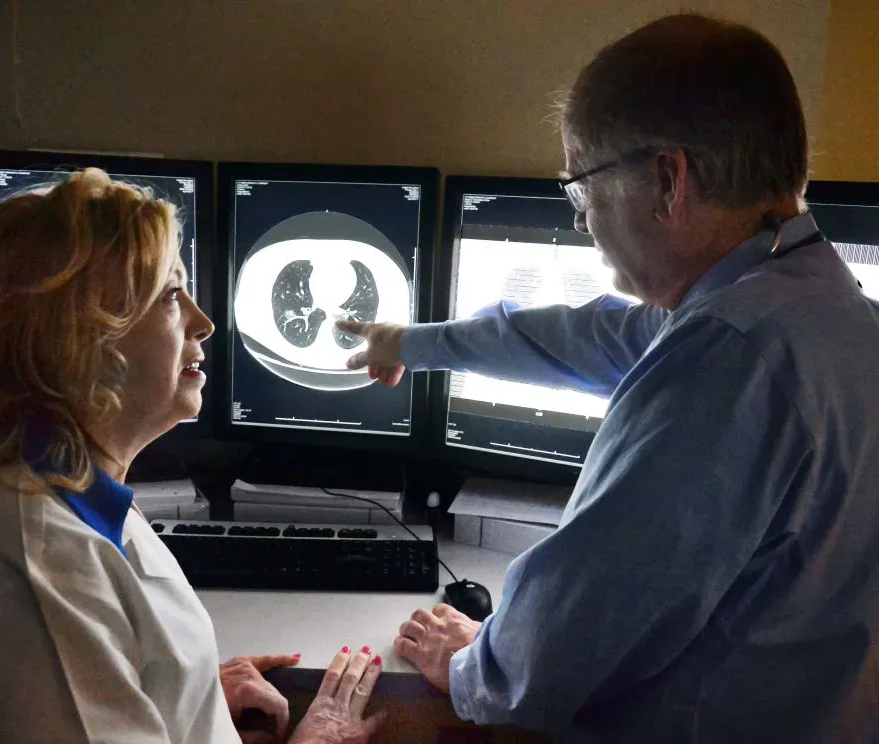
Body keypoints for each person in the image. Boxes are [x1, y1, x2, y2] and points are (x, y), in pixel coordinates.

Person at [337, 13, 879, 743]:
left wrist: (472, 662)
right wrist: (413, 342)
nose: (581, 222)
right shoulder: (820, 306)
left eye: (582, 188)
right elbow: (589, 335)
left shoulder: (728, 359)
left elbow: (554, 651)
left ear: (667, 178)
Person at [0, 169, 385, 744]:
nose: (204, 322)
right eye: (170, 295)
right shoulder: (27, 579)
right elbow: (63, 673)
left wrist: (183, 695)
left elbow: (81, 694)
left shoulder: (62, 480)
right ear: (81, 338)